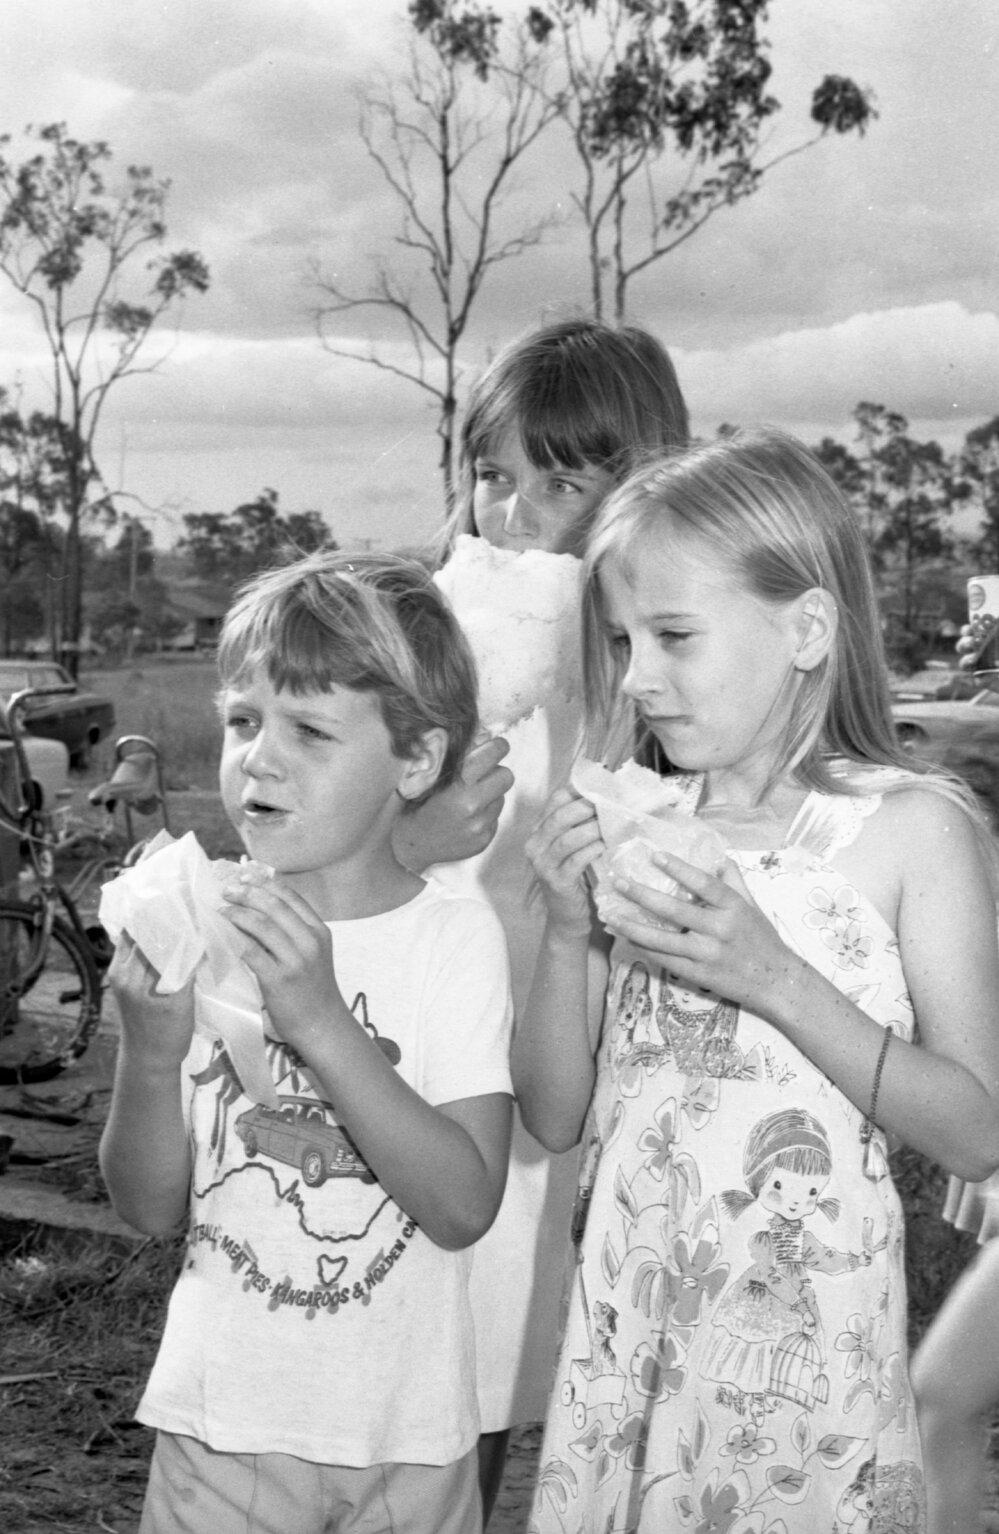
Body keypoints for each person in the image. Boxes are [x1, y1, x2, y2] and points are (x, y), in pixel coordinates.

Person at [513, 428, 999, 1531]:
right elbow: (552, 1114)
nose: (637, 676)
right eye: (625, 639)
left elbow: (978, 1131)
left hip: (805, 1366)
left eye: (674, 635)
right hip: (630, 1345)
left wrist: (772, 975)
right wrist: (559, 926)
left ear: (807, 629)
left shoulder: (908, 832)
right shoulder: (644, 827)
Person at [99, 552, 515, 1534]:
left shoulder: (452, 937)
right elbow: (151, 1207)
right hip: (220, 1436)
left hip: (408, 1447)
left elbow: (462, 1204)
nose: (259, 758)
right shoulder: (198, 925)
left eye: (310, 729)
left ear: (415, 759)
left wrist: (322, 1023)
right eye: (242, 720)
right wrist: (150, 1058)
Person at [396, 314, 690, 1521]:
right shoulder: (417, 643)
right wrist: (414, 830)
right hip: (416, 1057)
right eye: (495, 478)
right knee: (397, 1377)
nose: (514, 519)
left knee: (499, 1373)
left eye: (563, 484)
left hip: (566, 1081)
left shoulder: (674, 679)